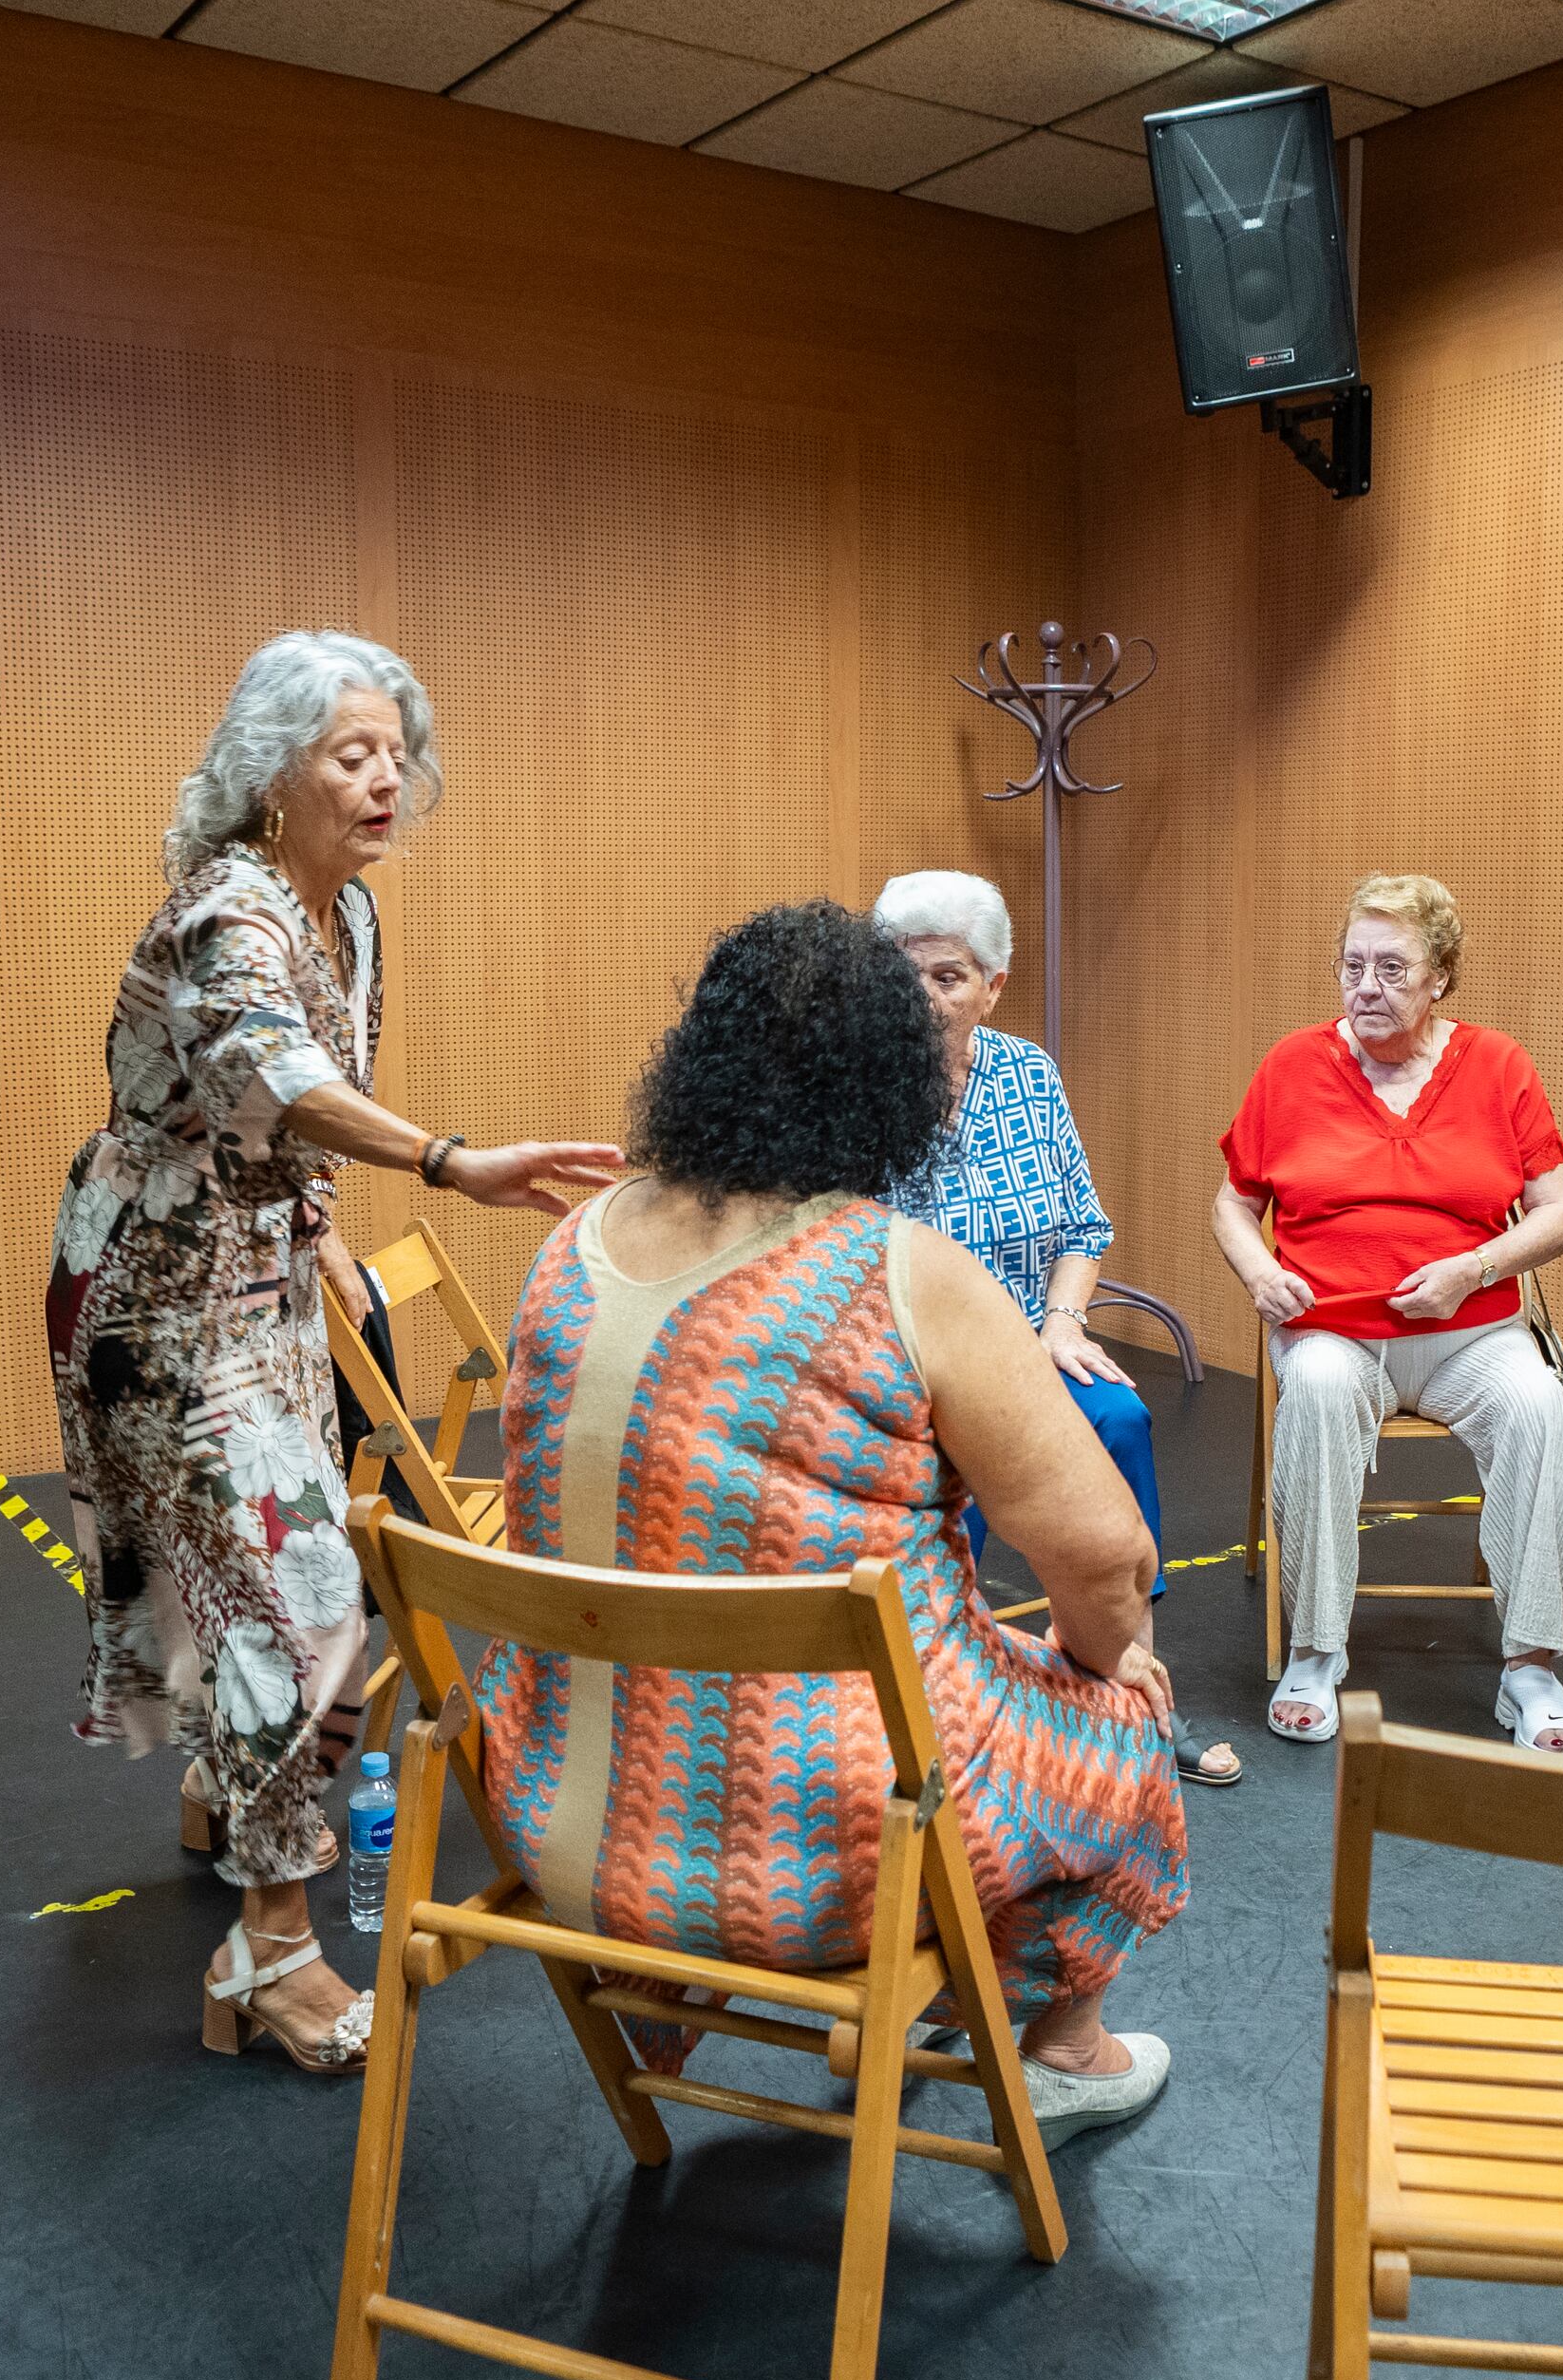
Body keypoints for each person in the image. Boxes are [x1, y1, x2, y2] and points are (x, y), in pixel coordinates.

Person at [477, 900, 1186, 2139]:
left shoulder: (572, 1241)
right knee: (1130, 1709)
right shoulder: (901, 1270)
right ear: (892, 1082)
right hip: (828, 1874)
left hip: (560, 1831)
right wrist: (1101, 1660)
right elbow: (1107, 1560)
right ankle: (1057, 2043)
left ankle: (676, 2007)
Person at [53, 632, 616, 2078]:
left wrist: (325, 1227)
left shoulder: (349, 911)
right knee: (300, 1598)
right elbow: (277, 1073)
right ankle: (274, 1948)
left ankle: (228, 1798)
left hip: (269, 1269)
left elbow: (304, 1111)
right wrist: (451, 1163)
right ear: (270, 773)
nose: (385, 780)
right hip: (163, 1289)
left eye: (394, 754)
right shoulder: (226, 912)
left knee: (250, 1574)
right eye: (350, 754)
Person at [1213, 873, 1563, 1754]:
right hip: (1335, 1331)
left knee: (1540, 1408)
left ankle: (1530, 1666)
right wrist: (1258, 1270)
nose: (1367, 987)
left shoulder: (1498, 1065)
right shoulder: (1292, 1065)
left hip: (1471, 1334)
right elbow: (1232, 1203)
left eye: (1392, 967)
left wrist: (1474, 1267)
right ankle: (1313, 1650)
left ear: (1440, 978)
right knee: (1309, 1390)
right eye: (1352, 966)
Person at [873, 870, 1158, 1560]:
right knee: (947, 1469)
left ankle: (1126, 1643)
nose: (921, 998)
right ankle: (941, 1646)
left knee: (1120, 1419)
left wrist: (1062, 1323)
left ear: (993, 987)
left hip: (1030, 1348)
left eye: (947, 978)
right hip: (906, 1364)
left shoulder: (1029, 1074)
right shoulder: (854, 1089)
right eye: (903, 975)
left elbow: (1084, 1228)